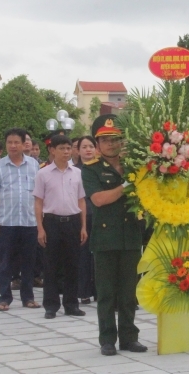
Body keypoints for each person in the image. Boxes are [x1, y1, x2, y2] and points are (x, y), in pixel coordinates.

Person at [81, 115, 147, 356]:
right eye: (105, 140)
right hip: (105, 239)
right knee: (107, 293)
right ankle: (107, 339)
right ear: (97, 144)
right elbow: (99, 199)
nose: (111, 144)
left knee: (129, 292)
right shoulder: (91, 170)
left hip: (130, 235)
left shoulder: (134, 166)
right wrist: (127, 186)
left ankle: (129, 337)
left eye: (116, 139)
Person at [33, 133, 88, 319]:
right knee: (51, 265)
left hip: (72, 222)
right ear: (52, 150)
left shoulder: (78, 173)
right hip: (51, 222)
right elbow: (38, 202)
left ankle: (71, 304)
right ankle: (51, 305)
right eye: (62, 148)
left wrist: (83, 227)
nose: (66, 152)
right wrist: (40, 228)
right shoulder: (43, 173)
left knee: (73, 264)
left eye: (69, 148)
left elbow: (81, 201)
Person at [0, 128, 41, 311]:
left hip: (30, 221)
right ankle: (4, 298)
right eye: (9, 142)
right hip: (7, 221)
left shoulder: (34, 165)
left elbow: (40, 195)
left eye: (16, 142)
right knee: (5, 262)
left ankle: (28, 297)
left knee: (29, 262)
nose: (12, 145)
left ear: (23, 143)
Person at [74, 136, 98, 304]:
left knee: (98, 255)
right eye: (84, 146)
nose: (88, 149)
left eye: (91, 146)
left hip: (98, 215)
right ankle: (83, 291)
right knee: (82, 255)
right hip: (80, 216)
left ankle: (99, 290)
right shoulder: (74, 170)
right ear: (78, 150)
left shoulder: (101, 169)